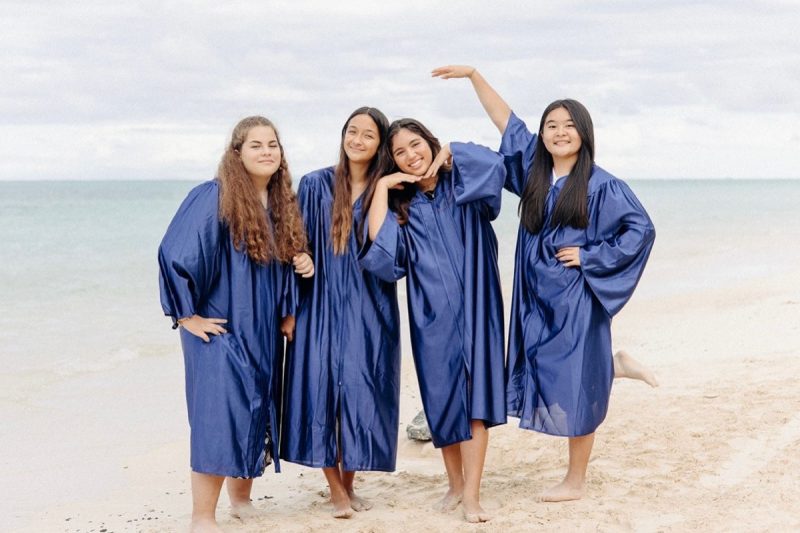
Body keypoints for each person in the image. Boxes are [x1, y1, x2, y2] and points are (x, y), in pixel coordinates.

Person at [432, 65, 657, 502]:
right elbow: (506, 123)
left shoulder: (602, 185)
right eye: (551, 125)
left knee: (578, 382)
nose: (559, 132)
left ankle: (575, 479)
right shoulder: (533, 174)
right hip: (534, 297)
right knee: (546, 365)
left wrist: (590, 256)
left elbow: (640, 230)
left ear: (584, 134)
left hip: (576, 295)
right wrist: (475, 76)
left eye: (569, 125)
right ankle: (612, 364)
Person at [158, 116, 313, 532]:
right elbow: (175, 251)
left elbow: (278, 271)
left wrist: (294, 290)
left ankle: (241, 503)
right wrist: (185, 315)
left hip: (260, 329)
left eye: (273, 144)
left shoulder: (280, 207)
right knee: (218, 417)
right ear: (237, 153)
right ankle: (202, 517)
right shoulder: (215, 197)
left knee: (256, 406)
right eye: (256, 145)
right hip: (220, 328)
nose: (266, 151)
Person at [360, 118, 506, 523]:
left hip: (478, 305)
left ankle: (473, 495)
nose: (411, 155)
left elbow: (496, 166)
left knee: (476, 401)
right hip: (432, 314)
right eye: (400, 152)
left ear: (430, 142)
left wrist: (449, 152)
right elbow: (379, 248)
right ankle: (455, 484)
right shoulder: (404, 208)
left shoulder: (462, 185)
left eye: (416, 144)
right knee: (442, 399)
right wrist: (382, 188)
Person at [280, 107, 402, 519]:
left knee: (363, 394)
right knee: (321, 395)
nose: (358, 140)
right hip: (319, 305)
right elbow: (291, 239)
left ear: (380, 144)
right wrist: (293, 289)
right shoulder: (315, 185)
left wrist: (384, 187)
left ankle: (349, 484)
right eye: (352, 131)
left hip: (371, 307)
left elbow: (393, 254)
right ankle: (335, 491)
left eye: (368, 135)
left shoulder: (387, 192)